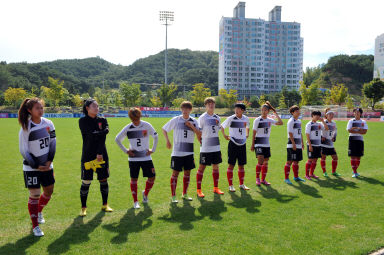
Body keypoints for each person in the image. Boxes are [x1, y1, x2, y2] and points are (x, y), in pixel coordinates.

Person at [18, 98, 56, 237]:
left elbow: (53, 142)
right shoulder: (26, 127)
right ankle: (35, 226)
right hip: (31, 167)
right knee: (34, 194)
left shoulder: (49, 123)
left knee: (49, 192)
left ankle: (39, 211)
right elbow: (24, 150)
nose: (41, 110)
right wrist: (36, 165)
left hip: (47, 165)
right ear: (29, 111)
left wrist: (49, 161)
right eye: (37, 108)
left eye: (41, 107)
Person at [115, 108, 158, 208]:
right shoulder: (128, 128)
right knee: (134, 179)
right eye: (134, 119)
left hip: (146, 157)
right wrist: (126, 151)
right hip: (133, 158)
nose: (136, 121)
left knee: (152, 177)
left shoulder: (146, 125)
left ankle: (145, 194)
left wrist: (153, 150)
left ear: (140, 116)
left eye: (138, 118)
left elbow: (156, 136)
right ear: (130, 118)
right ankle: (135, 202)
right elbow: (117, 139)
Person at [79, 98, 113, 217]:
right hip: (88, 155)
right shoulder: (82, 121)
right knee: (86, 181)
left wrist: (99, 152)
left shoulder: (102, 119)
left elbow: (103, 136)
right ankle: (83, 208)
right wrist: (102, 132)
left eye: (98, 106)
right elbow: (90, 134)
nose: (97, 108)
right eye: (94, 106)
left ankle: (105, 204)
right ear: (87, 108)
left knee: (103, 179)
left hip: (102, 155)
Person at [162, 101, 201, 203]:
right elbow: (164, 129)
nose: (185, 110)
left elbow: (199, 134)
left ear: (190, 110)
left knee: (187, 173)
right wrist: (168, 141)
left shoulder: (194, 121)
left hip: (189, 152)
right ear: (181, 109)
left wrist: (191, 126)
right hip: (177, 152)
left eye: (187, 108)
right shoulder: (176, 120)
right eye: (183, 108)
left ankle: (185, 194)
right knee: (175, 173)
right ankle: (173, 196)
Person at [196, 97, 224, 198]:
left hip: (216, 147)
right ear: (206, 106)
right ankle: (199, 190)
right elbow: (199, 132)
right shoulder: (202, 117)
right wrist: (200, 141)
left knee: (216, 167)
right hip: (205, 148)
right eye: (208, 104)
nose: (211, 105)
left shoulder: (217, 118)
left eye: (212, 103)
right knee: (201, 168)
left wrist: (219, 148)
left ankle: (216, 188)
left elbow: (217, 132)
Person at [251, 101, 283, 186]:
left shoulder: (270, 120)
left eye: (265, 110)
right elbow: (254, 132)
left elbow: (281, 123)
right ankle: (257, 178)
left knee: (266, 162)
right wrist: (252, 144)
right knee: (260, 160)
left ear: (268, 111)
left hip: (266, 144)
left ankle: (263, 179)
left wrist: (275, 112)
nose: (263, 111)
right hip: (258, 143)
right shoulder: (257, 120)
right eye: (262, 110)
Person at [221, 103, 251, 192]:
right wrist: (225, 135)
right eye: (236, 108)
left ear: (242, 110)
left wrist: (247, 133)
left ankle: (242, 184)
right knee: (231, 165)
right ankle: (231, 185)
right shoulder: (231, 118)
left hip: (242, 144)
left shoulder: (246, 119)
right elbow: (222, 126)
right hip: (233, 143)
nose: (236, 110)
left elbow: (247, 127)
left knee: (241, 165)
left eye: (238, 108)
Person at [284, 105, 305, 184]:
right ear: (292, 113)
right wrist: (293, 143)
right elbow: (290, 133)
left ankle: (296, 177)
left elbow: (300, 133)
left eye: (298, 110)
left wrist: (302, 142)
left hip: (298, 144)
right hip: (292, 144)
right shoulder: (291, 121)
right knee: (290, 161)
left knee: (296, 161)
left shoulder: (299, 121)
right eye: (296, 111)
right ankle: (286, 178)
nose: (298, 112)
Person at [304, 111, 328, 180]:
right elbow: (307, 135)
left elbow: (326, 129)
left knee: (315, 160)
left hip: (318, 145)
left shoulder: (319, 124)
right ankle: (306, 174)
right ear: (312, 116)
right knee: (310, 160)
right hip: (311, 145)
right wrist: (310, 145)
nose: (317, 117)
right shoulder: (309, 124)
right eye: (316, 115)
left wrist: (323, 121)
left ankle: (311, 173)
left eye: (318, 115)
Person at [347, 108, 368, 178]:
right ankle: (355, 172)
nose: (357, 113)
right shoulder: (351, 121)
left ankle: (355, 170)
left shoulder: (363, 122)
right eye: (355, 112)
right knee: (352, 155)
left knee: (359, 156)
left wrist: (355, 130)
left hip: (360, 140)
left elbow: (365, 132)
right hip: (352, 139)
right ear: (353, 113)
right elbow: (349, 130)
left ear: (361, 114)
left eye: (358, 112)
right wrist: (359, 131)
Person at [320, 108, 340, 177]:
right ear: (326, 115)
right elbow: (318, 130)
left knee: (335, 158)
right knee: (323, 158)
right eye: (330, 114)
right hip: (324, 143)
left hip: (331, 144)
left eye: (332, 114)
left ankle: (333, 172)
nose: (331, 115)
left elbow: (335, 131)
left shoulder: (334, 123)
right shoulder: (323, 122)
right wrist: (321, 137)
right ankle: (324, 172)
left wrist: (334, 137)